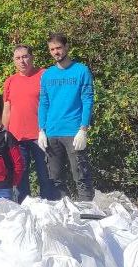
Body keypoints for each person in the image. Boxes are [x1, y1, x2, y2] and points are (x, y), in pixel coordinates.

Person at [38, 32, 96, 201]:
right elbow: (44, 103)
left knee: (81, 176)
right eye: (52, 49)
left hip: (73, 131)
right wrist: (41, 129)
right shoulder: (47, 75)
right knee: (55, 179)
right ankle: (62, 214)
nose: (56, 52)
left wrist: (83, 129)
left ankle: (88, 215)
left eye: (59, 48)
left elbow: (87, 100)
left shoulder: (81, 71)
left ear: (66, 47)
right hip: (52, 132)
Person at [3, 44, 56, 202]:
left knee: (46, 176)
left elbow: (54, 104)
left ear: (32, 57)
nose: (22, 61)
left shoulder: (44, 75)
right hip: (16, 137)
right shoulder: (10, 81)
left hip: (41, 135)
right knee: (20, 178)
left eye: (25, 56)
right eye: (18, 58)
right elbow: (7, 110)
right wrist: (3, 133)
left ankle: (48, 209)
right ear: (14, 61)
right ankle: (24, 210)